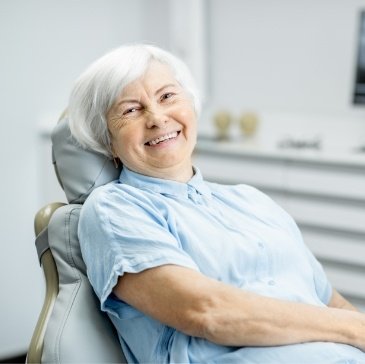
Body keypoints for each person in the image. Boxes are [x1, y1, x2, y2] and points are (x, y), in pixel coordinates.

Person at [68, 44, 365, 363]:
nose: (157, 117)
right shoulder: (115, 208)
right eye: (130, 110)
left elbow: (330, 302)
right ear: (107, 140)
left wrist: (354, 328)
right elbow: (208, 312)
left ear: (191, 107)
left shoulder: (251, 201)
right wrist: (354, 329)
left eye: (167, 96)